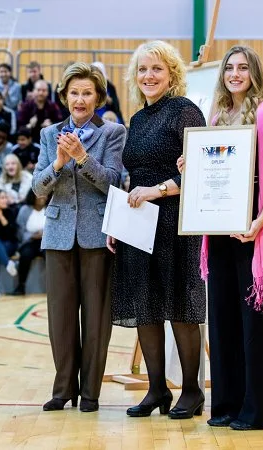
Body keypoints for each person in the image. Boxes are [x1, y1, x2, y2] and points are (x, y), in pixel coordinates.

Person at [177, 45, 263, 430]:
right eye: (230, 68)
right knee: (223, 318)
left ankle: (259, 411)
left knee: (256, 323)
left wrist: (259, 222)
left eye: (243, 68)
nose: (235, 74)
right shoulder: (218, 115)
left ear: (254, 73)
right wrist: (190, 163)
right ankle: (226, 405)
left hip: (254, 230)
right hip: (221, 230)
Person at [108, 41, 206, 420]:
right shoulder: (138, 119)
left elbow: (199, 169)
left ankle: (193, 391)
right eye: (143, 69)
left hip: (175, 221)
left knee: (180, 307)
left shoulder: (184, 111)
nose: (149, 76)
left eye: (157, 69)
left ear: (172, 74)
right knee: (145, 309)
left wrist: (158, 190)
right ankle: (156, 389)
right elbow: (132, 175)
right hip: (138, 223)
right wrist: (118, 222)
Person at [33, 62, 125, 413]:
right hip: (57, 234)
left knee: (96, 319)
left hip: (97, 235)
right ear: (64, 97)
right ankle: (62, 390)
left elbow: (115, 182)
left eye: (87, 92)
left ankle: (90, 393)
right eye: (74, 92)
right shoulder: (48, 134)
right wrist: (57, 163)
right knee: (60, 316)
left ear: (98, 97)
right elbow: (38, 189)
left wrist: (83, 158)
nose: (80, 99)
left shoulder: (113, 132)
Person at [14, 190, 47, 295]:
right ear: (33, 196)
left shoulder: (50, 209)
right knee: (25, 255)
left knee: (52, 256)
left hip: (46, 242)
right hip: (30, 241)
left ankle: (54, 287)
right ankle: (21, 285)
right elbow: (19, 230)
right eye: (40, 195)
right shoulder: (24, 210)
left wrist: (44, 234)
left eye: (45, 195)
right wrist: (32, 236)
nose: (43, 197)